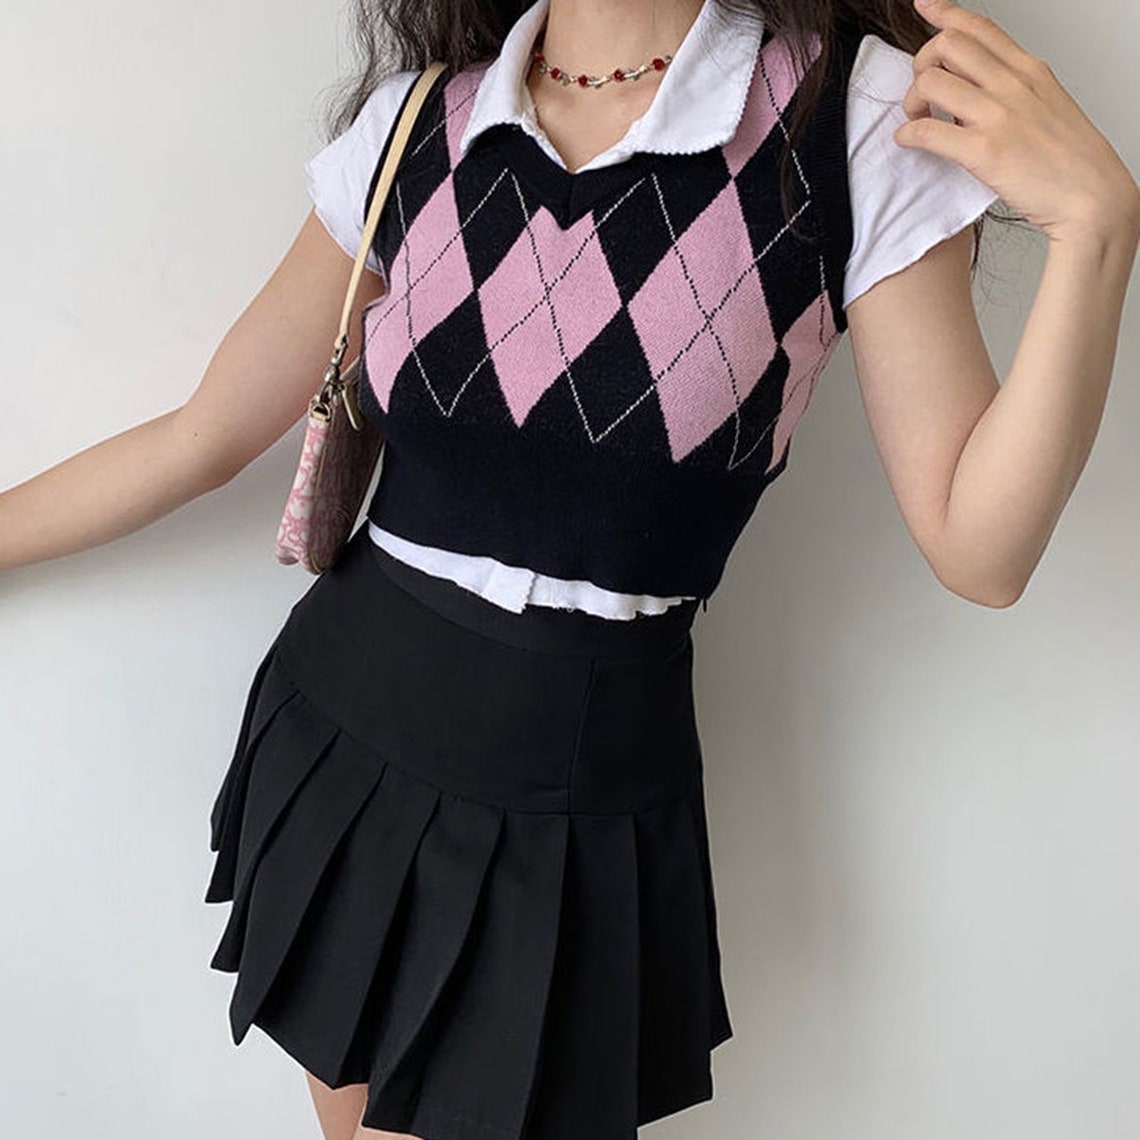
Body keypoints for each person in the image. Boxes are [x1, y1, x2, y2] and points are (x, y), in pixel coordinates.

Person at [2, 0, 1137, 1137]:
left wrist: (1096, 233)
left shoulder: (845, 116)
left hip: (569, 803)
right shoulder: (421, 123)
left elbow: (980, 551)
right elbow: (199, 436)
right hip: (341, 745)